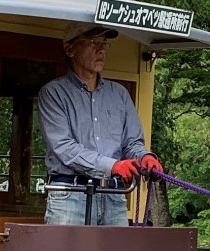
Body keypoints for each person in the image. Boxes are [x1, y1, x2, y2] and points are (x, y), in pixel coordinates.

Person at [38, 23, 160, 225]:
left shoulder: (119, 94)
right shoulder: (53, 93)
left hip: (114, 194)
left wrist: (145, 157)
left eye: (104, 44)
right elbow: (65, 148)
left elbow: (132, 143)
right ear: (70, 49)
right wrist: (113, 166)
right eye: (93, 43)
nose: (101, 49)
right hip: (69, 195)